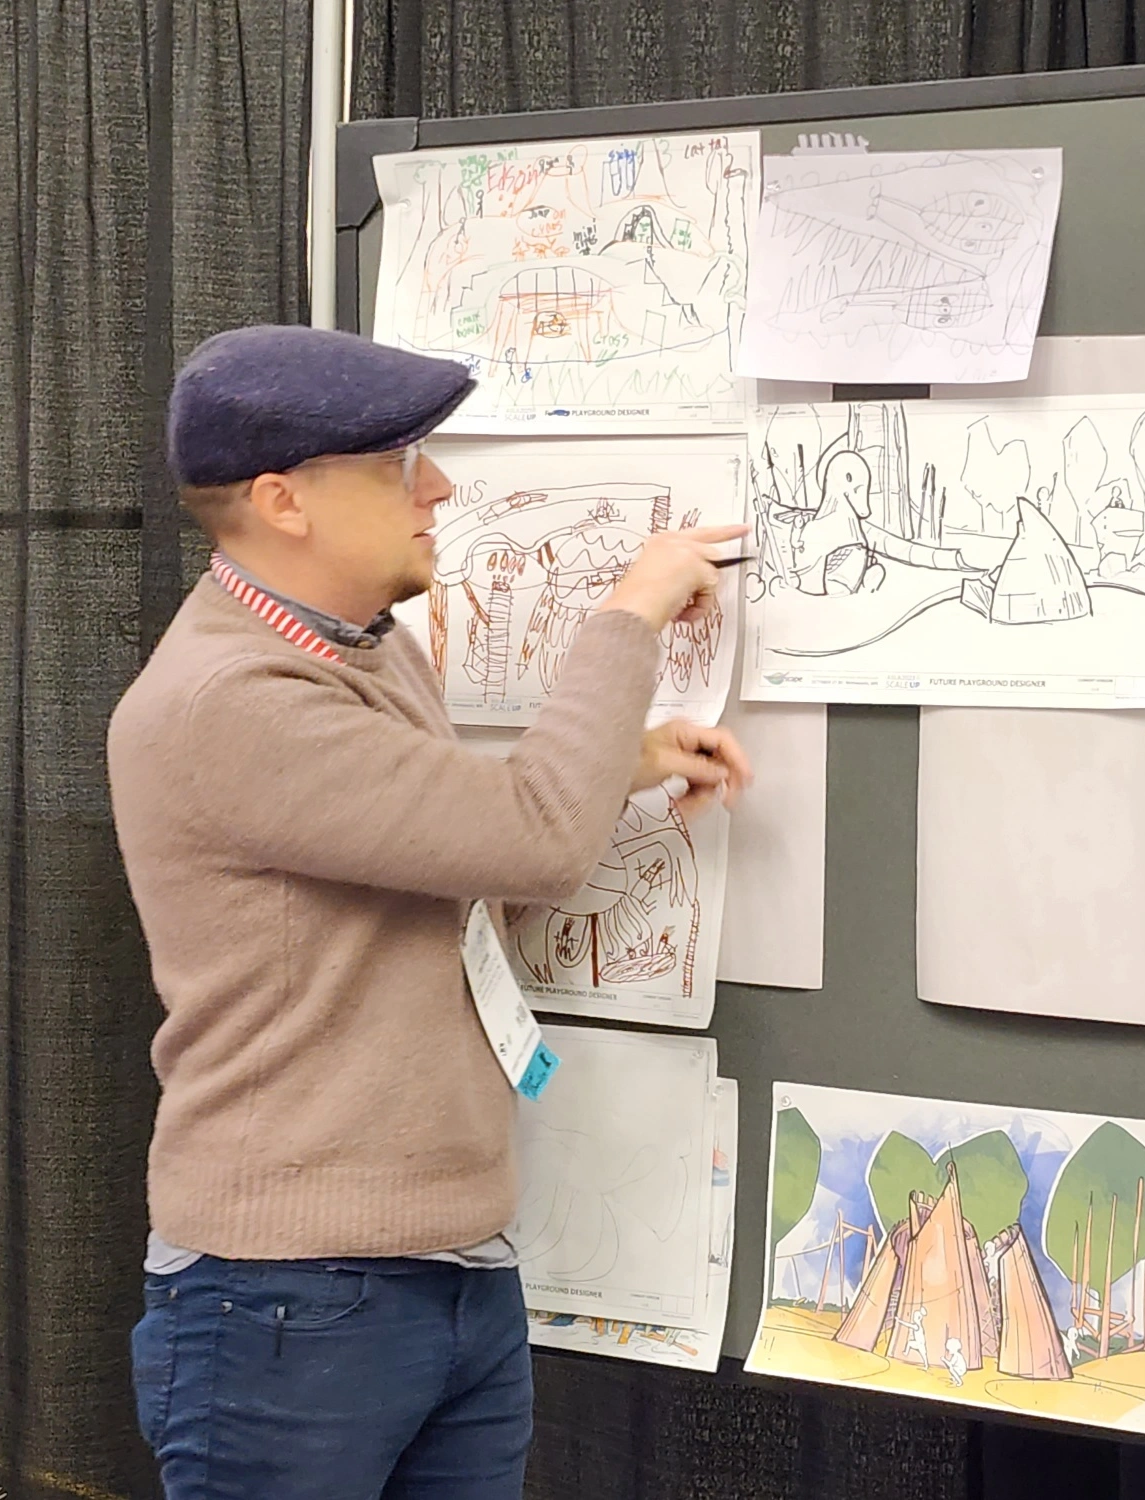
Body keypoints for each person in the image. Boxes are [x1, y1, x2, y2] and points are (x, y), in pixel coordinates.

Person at [108, 324, 752, 1499]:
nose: (440, 488)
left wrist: (622, 761)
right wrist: (629, 613)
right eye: (399, 464)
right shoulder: (229, 698)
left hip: (450, 1268)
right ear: (282, 501)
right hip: (288, 1296)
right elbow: (532, 841)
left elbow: (437, 830)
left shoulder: (363, 652)